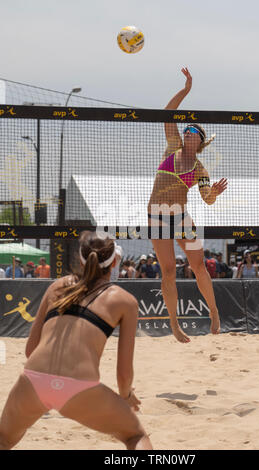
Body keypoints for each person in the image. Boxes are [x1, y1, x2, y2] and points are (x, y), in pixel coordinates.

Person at [0, 231, 152, 450]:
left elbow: (30, 349)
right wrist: (126, 395)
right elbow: (124, 373)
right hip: (80, 389)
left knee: (3, 439)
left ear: (80, 258)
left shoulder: (58, 285)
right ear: (114, 262)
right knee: (136, 436)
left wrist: (47, 386)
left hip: (33, 381)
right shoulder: (124, 300)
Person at [147, 67, 228, 342]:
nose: (186, 130)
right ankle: (174, 323)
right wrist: (186, 90)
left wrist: (214, 193)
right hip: (158, 214)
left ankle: (214, 312)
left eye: (192, 130)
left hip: (180, 217)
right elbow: (168, 113)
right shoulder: (172, 145)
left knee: (199, 265)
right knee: (168, 270)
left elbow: (207, 200)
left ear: (200, 140)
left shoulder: (200, 168)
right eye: (186, 128)